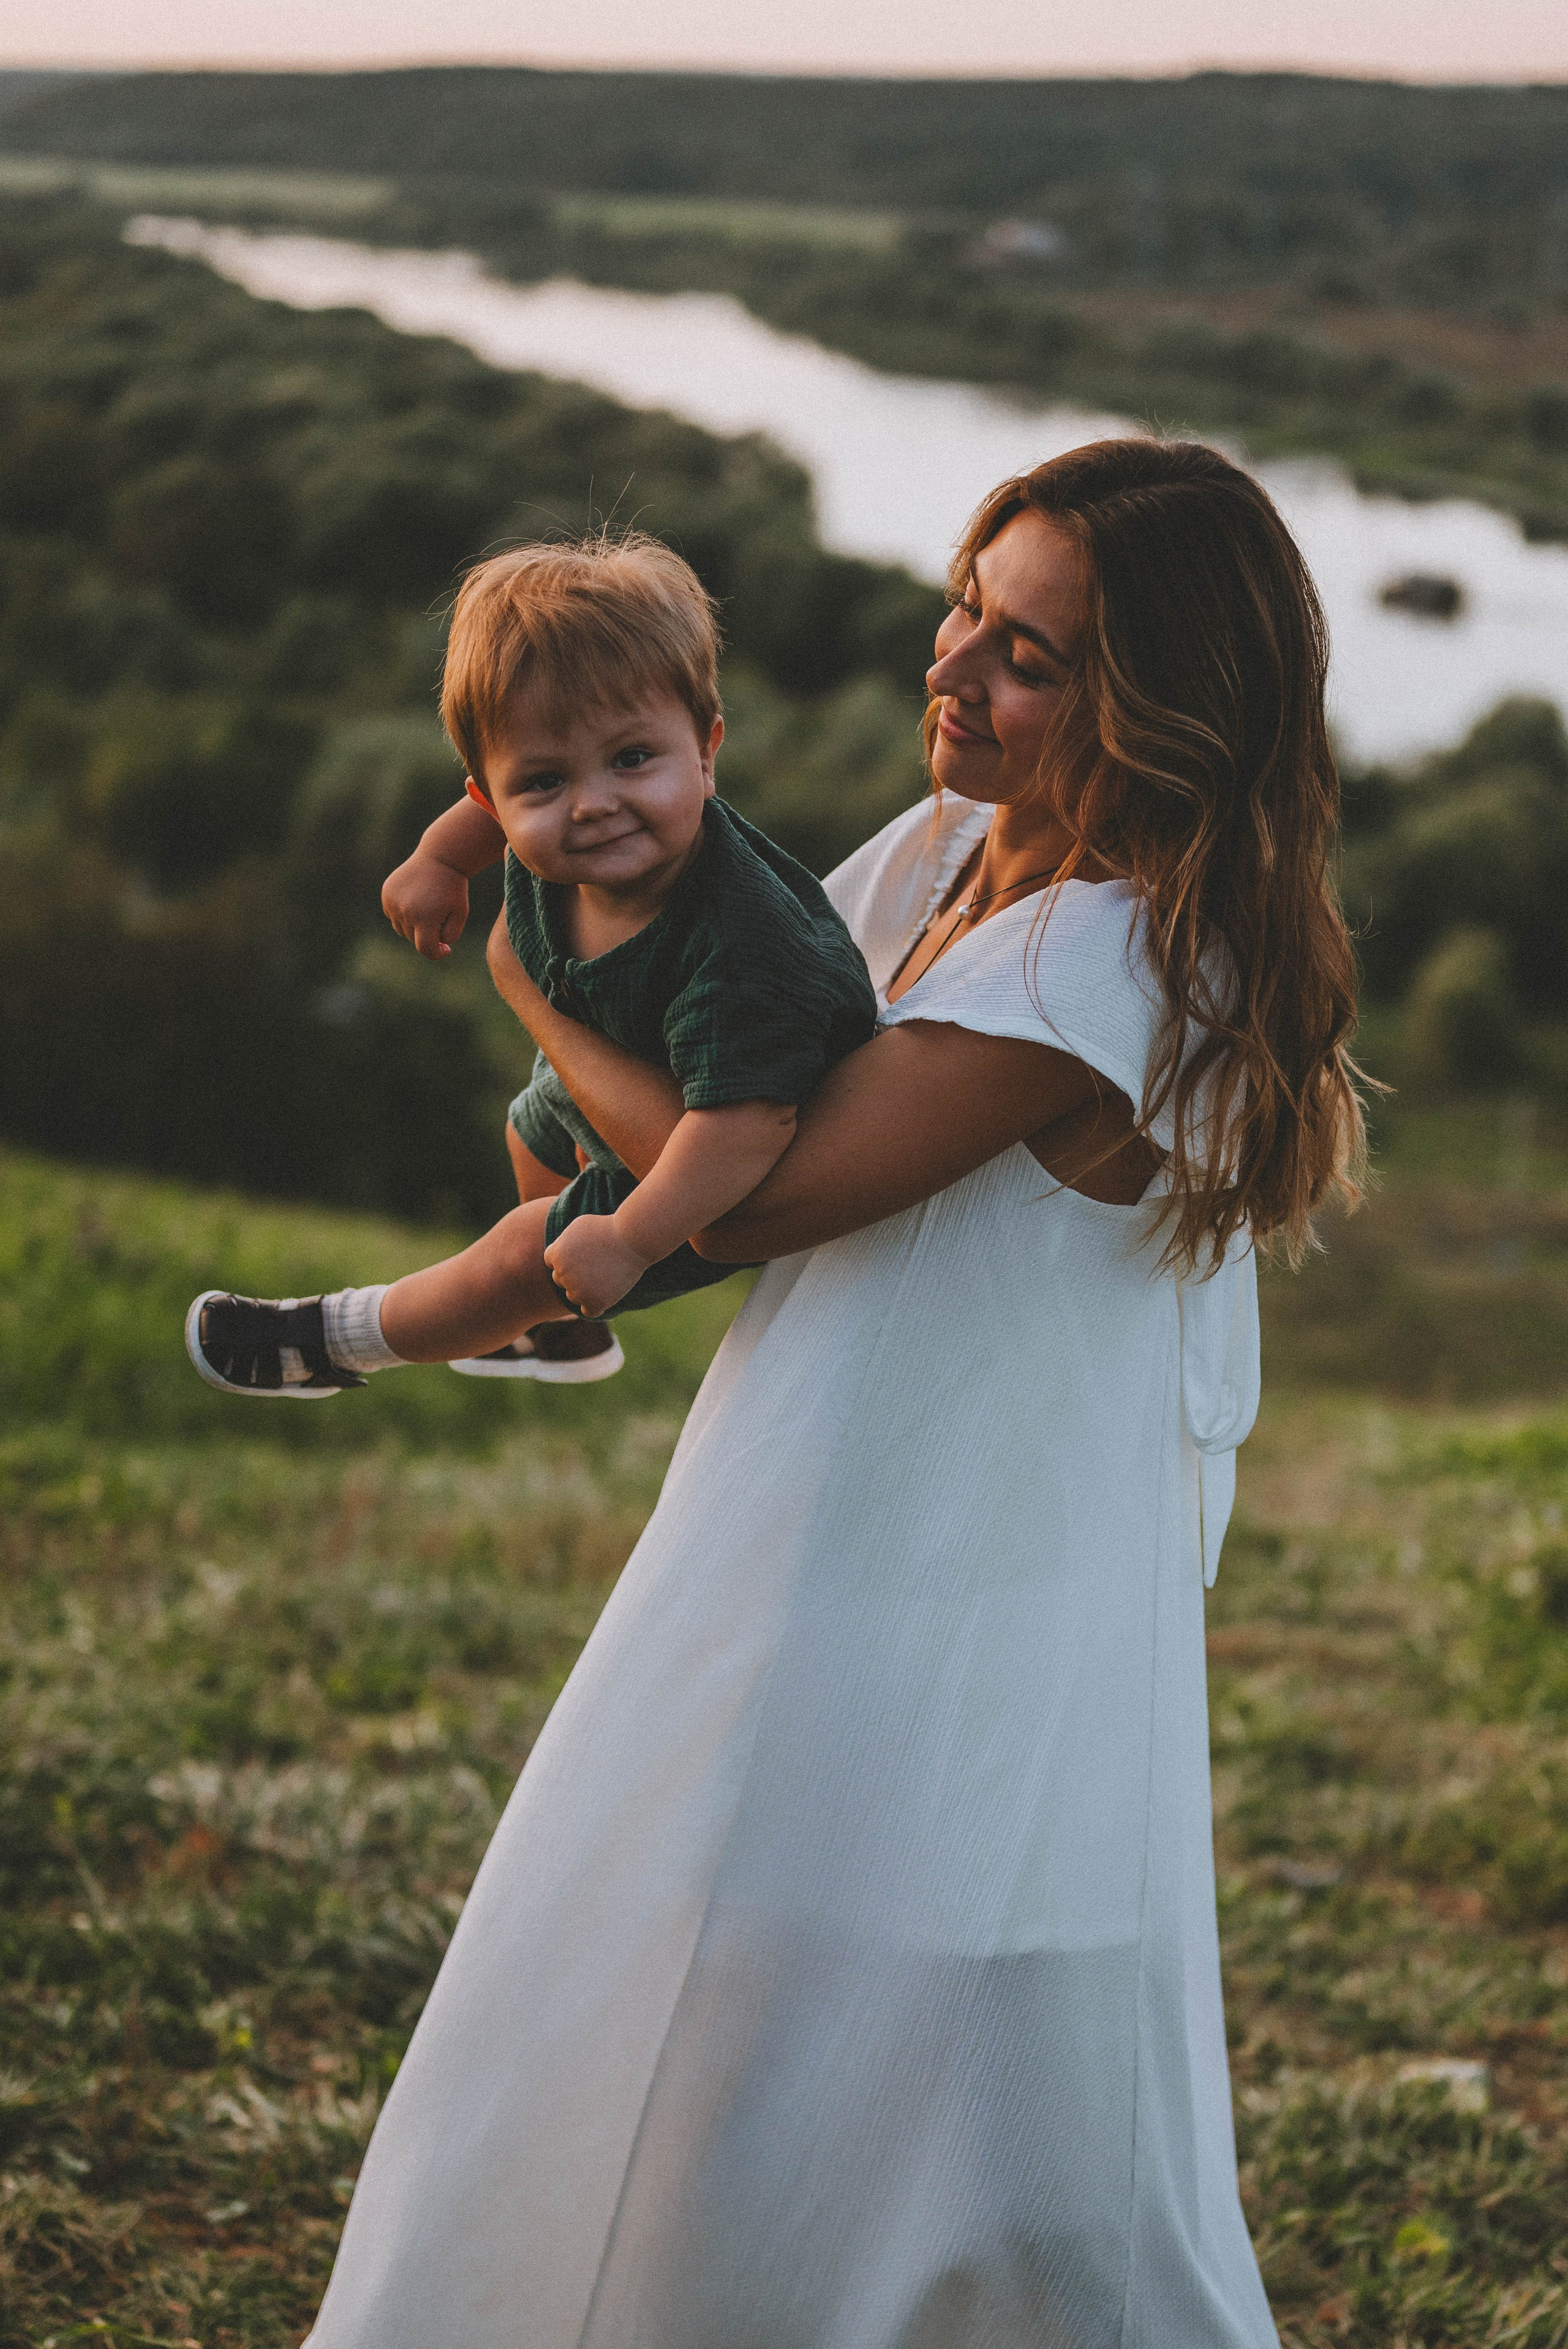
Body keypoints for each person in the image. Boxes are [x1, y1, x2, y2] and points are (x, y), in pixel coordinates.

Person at [304, 438, 1365, 2349]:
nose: (952, 666)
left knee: (955, 2087)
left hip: (958, 1572)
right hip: (809, 1512)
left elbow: (761, 1186)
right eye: (968, 603)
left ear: (1153, 711)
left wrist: (528, 982)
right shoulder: (959, 851)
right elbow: (728, 1012)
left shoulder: (1104, 956)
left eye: (1027, 654)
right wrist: (516, 826)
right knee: (679, 1986)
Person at [184, 535, 876, 1400]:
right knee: (529, 1128)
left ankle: (329, 1341)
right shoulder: (544, 817)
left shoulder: (744, 953)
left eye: (632, 759)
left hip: (722, 1161)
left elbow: (751, 1127)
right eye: (545, 782)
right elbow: (485, 808)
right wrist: (440, 859)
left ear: (707, 749)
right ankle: (556, 1332)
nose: (592, 804)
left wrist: (628, 1241)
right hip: (630, 1059)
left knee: (519, 1252)